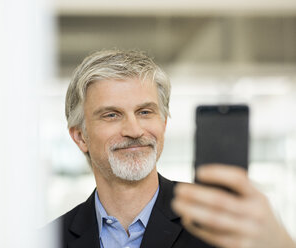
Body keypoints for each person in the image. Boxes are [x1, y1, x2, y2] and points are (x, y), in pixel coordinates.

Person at [51, 50, 296, 248]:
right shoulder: (45, 241)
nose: (134, 130)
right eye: (112, 115)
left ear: (164, 124)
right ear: (80, 136)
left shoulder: (219, 223)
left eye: (145, 112)